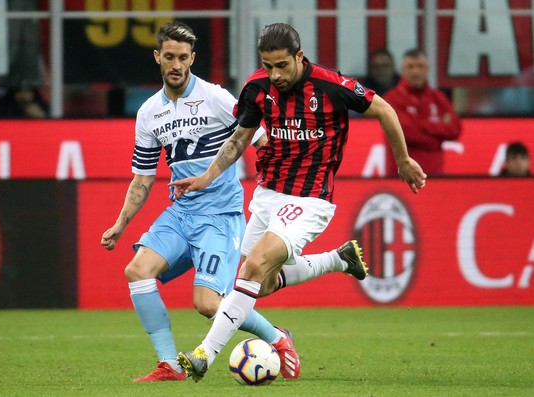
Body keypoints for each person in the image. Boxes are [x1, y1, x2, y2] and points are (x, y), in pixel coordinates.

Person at [169, 23, 427, 382]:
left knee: (255, 265)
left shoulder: (332, 86)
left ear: (299, 57)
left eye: (282, 66)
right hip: (268, 194)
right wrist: (205, 178)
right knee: (261, 282)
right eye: (268, 65)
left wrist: (403, 160)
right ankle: (338, 259)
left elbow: (384, 109)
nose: (275, 74)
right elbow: (238, 141)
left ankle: (204, 355)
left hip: (310, 198)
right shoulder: (257, 89)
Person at [100, 22, 299, 382]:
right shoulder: (148, 113)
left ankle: (277, 337)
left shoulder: (216, 97)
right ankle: (169, 365)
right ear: (157, 57)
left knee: (207, 304)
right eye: (169, 57)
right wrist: (120, 224)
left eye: (183, 58)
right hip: (181, 213)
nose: (176, 65)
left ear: (193, 58)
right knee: (136, 270)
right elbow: (143, 179)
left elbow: (261, 139)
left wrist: (276, 190)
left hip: (219, 216)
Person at [383, 48, 461, 177]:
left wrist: (423, 125)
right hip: (402, 177)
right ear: (402, 70)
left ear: (427, 69)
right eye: (410, 67)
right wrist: (438, 136)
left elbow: (455, 129)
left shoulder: (438, 98)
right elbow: (408, 134)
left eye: (420, 66)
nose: (415, 72)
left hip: (435, 177)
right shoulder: (391, 100)